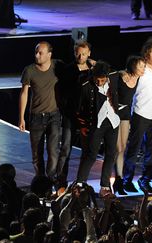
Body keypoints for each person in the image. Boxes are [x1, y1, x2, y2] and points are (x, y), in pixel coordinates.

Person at [122, 41, 152, 194]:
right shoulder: (141, 69)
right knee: (134, 148)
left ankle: (145, 180)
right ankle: (127, 180)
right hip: (141, 114)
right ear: (146, 55)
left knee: (151, 150)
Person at [18, 41, 63, 182]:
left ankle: (50, 180)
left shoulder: (57, 66)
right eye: (36, 52)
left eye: (41, 52)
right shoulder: (29, 70)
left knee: (53, 151)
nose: (37, 55)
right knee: (37, 154)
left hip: (53, 116)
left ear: (49, 55)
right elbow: (24, 94)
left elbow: (77, 67)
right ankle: (40, 180)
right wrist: (21, 117)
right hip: (36, 117)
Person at [75, 61, 120, 198]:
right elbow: (79, 108)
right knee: (91, 154)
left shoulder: (113, 78)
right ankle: (79, 184)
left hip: (112, 122)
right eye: (97, 79)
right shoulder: (86, 87)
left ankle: (105, 186)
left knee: (111, 154)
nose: (100, 82)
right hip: (96, 124)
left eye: (102, 79)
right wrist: (82, 126)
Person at [56, 40, 93, 190]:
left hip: (87, 116)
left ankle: (81, 181)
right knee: (65, 148)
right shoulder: (68, 69)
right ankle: (61, 180)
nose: (80, 56)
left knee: (86, 150)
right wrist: (64, 109)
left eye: (84, 53)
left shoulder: (93, 69)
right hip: (70, 115)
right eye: (78, 53)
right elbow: (60, 90)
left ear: (89, 53)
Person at [112, 55, 145, 195]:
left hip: (125, 113)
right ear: (132, 66)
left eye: (144, 66)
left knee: (122, 147)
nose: (143, 69)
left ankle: (120, 179)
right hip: (114, 111)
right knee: (116, 147)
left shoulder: (138, 78)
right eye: (140, 66)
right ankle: (116, 180)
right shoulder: (121, 75)